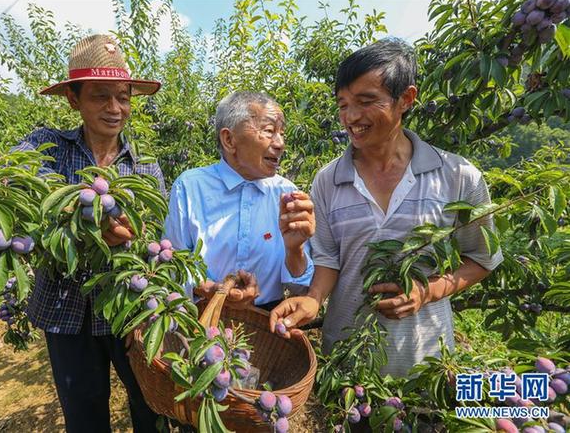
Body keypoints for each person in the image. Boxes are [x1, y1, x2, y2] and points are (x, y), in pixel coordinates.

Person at [269, 39, 503, 377]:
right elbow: (329, 259)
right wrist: (314, 298)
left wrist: (428, 291)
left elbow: (481, 259)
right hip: (347, 367)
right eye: (343, 104)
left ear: (406, 99)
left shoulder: (458, 176)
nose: (351, 118)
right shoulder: (328, 180)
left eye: (366, 102)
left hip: (428, 364)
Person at [13, 34, 164, 432]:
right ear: (73, 100)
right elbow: (10, 185)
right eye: (100, 96)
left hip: (128, 313)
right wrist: (85, 220)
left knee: (150, 408)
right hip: (65, 312)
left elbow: (154, 244)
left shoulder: (145, 168)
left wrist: (137, 245)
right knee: (83, 415)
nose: (115, 109)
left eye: (124, 96)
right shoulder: (46, 145)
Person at [163, 91, 315, 311]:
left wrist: (296, 249)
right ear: (229, 140)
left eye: (282, 134)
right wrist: (209, 289)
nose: (280, 144)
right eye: (269, 131)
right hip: (202, 319)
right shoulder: (190, 187)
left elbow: (300, 289)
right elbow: (171, 265)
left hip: (266, 328)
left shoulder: (286, 194)